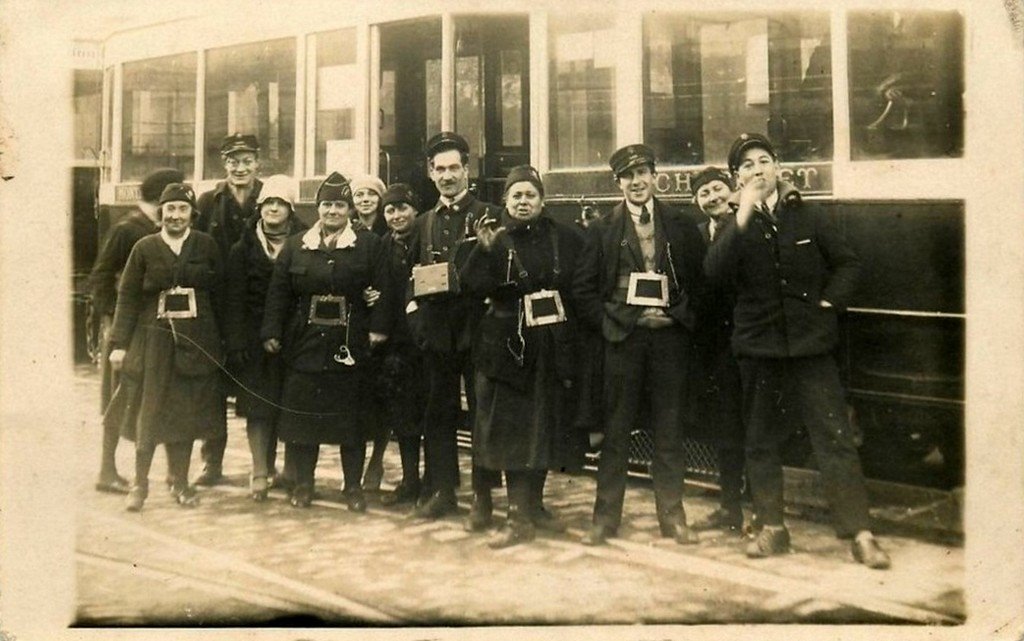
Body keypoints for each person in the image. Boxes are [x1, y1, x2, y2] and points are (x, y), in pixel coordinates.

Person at [704, 133, 890, 569]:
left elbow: (848, 263)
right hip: (759, 347)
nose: (756, 170)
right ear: (737, 177)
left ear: (777, 168)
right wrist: (742, 216)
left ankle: (860, 534)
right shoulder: (734, 224)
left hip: (810, 346)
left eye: (764, 161)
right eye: (746, 165)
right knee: (760, 440)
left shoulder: (807, 215)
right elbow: (714, 272)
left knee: (835, 439)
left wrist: (829, 302)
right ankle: (772, 528)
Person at [573, 144, 706, 546]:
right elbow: (582, 290)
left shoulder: (681, 226)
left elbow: (702, 285)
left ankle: (673, 518)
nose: (637, 182)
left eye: (643, 173)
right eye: (628, 176)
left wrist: (679, 317)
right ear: (619, 183)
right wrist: (612, 324)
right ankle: (604, 520)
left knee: (669, 430)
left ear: (655, 176)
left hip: (668, 343)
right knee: (615, 432)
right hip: (624, 342)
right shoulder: (601, 230)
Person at [459, 165, 585, 548]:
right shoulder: (491, 238)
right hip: (507, 348)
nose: (524, 202)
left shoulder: (562, 236)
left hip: (550, 344)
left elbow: (578, 278)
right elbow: (469, 287)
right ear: (506, 201)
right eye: (517, 196)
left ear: (542, 201)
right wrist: (481, 251)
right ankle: (517, 517)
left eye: (531, 195)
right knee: (513, 431)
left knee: (545, 426)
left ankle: (535, 507)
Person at [261, 172, 391, 511]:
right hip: (304, 344)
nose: (332, 211)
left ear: (348, 209)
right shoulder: (296, 245)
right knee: (303, 418)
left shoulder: (368, 245)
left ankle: (352, 488)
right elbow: (279, 294)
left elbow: (384, 288)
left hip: (350, 343)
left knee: (351, 418)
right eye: (326, 204)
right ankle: (303, 484)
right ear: (316, 208)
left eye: (339, 205)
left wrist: (378, 328)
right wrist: (272, 332)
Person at [105, 183, 226, 511]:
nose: (175, 216)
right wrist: (119, 344)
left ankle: (182, 483)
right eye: (169, 209)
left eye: (182, 209)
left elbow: (221, 295)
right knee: (149, 413)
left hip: (195, 344)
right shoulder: (144, 248)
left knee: (185, 417)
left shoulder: (206, 246)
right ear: (161, 213)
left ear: (192, 214)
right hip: (153, 343)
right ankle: (139, 485)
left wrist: (222, 342)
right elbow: (127, 296)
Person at [405, 131, 501, 527]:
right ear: (430, 173)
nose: (447, 176)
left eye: (454, 168)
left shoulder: (489, 214)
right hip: (437, 333)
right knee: (438, 412)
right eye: (439, 169)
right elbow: (407, 280)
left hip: (477, 329)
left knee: (482, 414)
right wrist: (417, 323)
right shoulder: (423, 223)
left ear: (467, 170)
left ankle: (482, 498)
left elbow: (503, 271)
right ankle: (444, 491)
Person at [89, 167, 184, 494]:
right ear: (159, 199)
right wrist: (115, 323)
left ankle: (174, 472)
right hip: (126, 331)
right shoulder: (128, 230)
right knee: (120, 398)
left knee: (164, 394)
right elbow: (100, 278)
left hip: (154, 330)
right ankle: (107, 470)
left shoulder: (161, 230)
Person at [224, 175, 308, 501]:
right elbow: (232, 301)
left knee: (291, 404)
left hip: (294, 337)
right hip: (253, 342)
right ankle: (261, 470)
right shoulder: (242, 248)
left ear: (290, 208)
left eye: (281, 203)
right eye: (268, 203)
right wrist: (236, 343)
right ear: (260, 207)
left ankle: (290, 470)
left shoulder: (304, 241)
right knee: (258, 407)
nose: (274, 208)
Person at [193, 132, 264, 487]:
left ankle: (262, 466)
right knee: (214, 389)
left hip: (255, 311)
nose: (240, 167)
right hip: (217, 310)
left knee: (258, 389)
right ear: (225, 164)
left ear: (257, 162)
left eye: (247, 160)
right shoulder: (208, 202)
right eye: (233, 161)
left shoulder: (269, 196)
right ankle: (211, 462)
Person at [688, 167, 747, 535]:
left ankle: (762, 510)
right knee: (725, 427)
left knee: (754, 427)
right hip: (714, 347)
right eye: (704, 193)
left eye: (717, 188)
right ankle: (730, 508)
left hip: (749, 341)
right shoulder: (696, 236)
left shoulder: (750, 225)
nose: (712, 197)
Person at [377, 183, 429, 507]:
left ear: (415, 210)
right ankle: (410, 479)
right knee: (404, 416)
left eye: (403, 208)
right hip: (399, 342)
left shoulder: (428, 237)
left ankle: (436, 479)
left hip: (427, 338)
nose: (397, 216)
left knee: (432, 413)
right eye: (390, 210)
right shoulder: (382, 245)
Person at [348, 173, 390, 492]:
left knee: (385, 399)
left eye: (371, 195)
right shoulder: (347, 232)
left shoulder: (390, 229)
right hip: (358, 322)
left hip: (385, 322)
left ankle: (377, 460)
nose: (364, 200)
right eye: (359, 195)